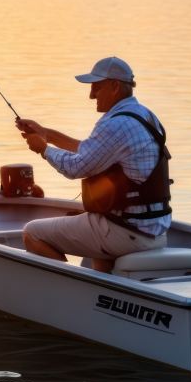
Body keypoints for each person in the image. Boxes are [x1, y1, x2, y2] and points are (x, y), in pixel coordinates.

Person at [14, 56, 171, 274]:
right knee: (93, 234)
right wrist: (46, 134)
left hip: (126, 232)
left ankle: (71, 288)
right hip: (154, 231)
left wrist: (43, 149)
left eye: (96, 87)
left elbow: (76, 168)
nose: (91, 95)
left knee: (32, 232)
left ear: (115, 86)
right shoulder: (144, 115)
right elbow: (93, 151)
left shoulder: (117, 124)